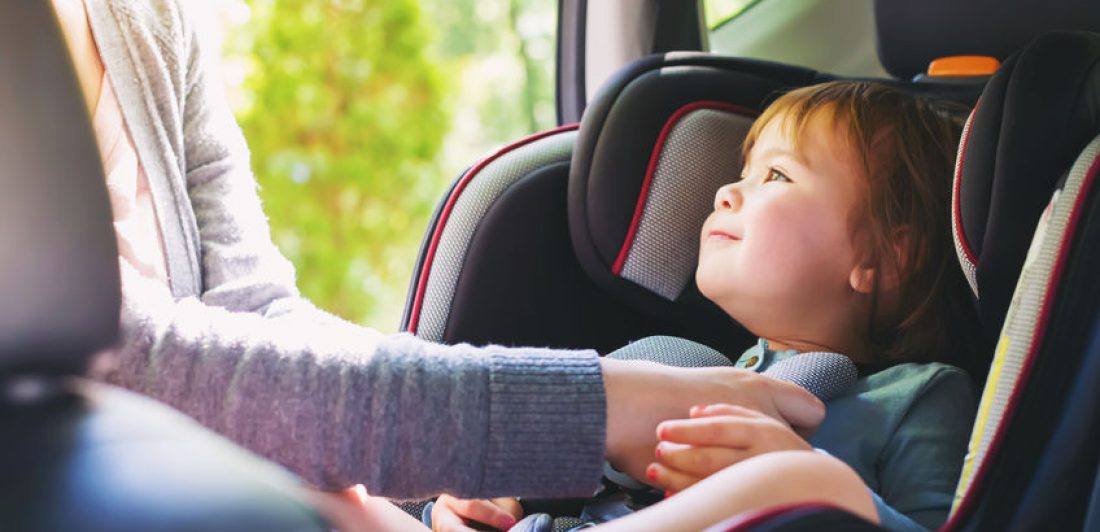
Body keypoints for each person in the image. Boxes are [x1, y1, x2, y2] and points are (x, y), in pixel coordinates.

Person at [46, 0, 825, 513]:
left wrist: (440, 467)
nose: (728, 194)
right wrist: (595, 407)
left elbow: (255, 313)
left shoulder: (146, 19)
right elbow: (112, 354)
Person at [430, 81, 979, 531]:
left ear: (888, 257)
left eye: (776, 175)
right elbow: (530, 485)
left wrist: (804, 483)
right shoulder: (669, 367)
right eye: (743, 172)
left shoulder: (917, 398)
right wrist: (491, 500)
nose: (726, 192)